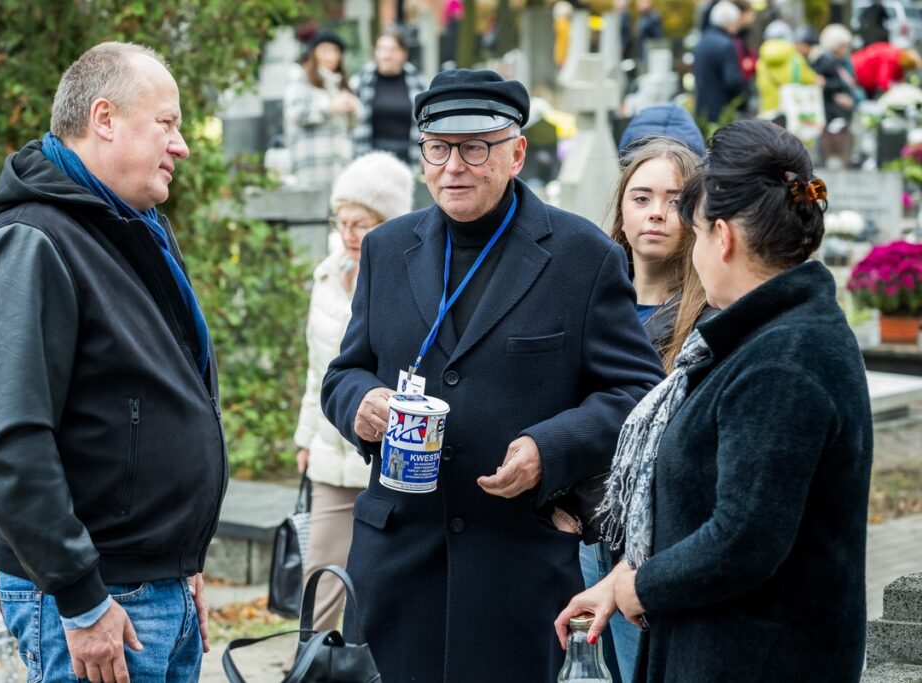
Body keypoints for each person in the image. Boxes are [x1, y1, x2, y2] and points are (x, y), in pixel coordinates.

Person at [320, 69, 664, 682]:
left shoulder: (582, 258)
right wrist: (360, 402)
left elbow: (637, 395)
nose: (454, 166)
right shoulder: (384, 249)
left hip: (517, 565)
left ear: (516, 153)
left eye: (476, 147)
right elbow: (344, 371)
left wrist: (548, 448)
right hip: (399, 562)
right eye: (438, 148)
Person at [555, 119, 873, 681]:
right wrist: (618, 580)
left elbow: (745, 537)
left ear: (722, 237)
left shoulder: (783, 359)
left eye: (695, 232)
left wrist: (638, 583)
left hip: (758, 659)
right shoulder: (765, 336)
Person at [0, 42, 224, 681]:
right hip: (98, 599)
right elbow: (14, 440)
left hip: (153, 587)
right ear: (104, 119)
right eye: (167, 123)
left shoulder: (130, 226)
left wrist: (180, 562)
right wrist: (80, 597)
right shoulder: (33, 239)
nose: (181, 145)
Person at [582, 135, 712, 683]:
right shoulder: (587, 299)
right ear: (621, 208)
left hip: (653, 546)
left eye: (674, 200)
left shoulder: (706, 318)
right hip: (582, 531)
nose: (656, 213)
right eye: (641, 197)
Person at [294, 151, 414, 633]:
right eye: (340, 221)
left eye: (360, 223)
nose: (347, 234)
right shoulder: (325, 276)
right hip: (330, 450)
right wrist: (304, 439)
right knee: (320, 579)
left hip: (385, 454)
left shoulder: (407, 278)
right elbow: (317, 370)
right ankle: (309, 666)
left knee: (376, 587)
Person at [284, 31, 359, 187]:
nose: (330, 56)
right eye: (325, 50)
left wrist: (354, 109)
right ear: (314, 53)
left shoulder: (343, 84)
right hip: (312, 163)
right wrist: (329, 107)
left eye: (335, 51)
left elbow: (354, 126)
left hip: (341, 163)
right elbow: (294, 113)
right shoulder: (300, 76)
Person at [350, 28, 430, 164]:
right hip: (369, 158)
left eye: (393, 50)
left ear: (404, 53)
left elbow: (427, 122)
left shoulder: (419, 82)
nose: (386, 55)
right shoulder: (359, 81)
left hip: (410, 158)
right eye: (381, 49)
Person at [814, 24, 861, 166]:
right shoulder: (825, 61)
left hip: (836, 110)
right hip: (829, 110)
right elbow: (821, 83)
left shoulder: (839, 62)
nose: (846, 49)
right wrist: (836, 95)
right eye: (844, 45)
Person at [694, 1, 747, 123]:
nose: (737, 27)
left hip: (702, 109)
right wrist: (745, 94)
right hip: (722, 111)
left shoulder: (702, 41)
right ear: (728, 22)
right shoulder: (727, 45)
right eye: (736, 22)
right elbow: (733, 81)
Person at [755, 21, 819, 116]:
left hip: (767, 111)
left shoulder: (762, 59)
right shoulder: (795, 57)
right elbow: (812, 79)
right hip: (789, 110)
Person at [852, 41, 922, 98]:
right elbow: (883, 81)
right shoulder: (891, 58)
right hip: (857, 72)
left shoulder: (897, 56)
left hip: (860, 71)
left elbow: (899, 80)